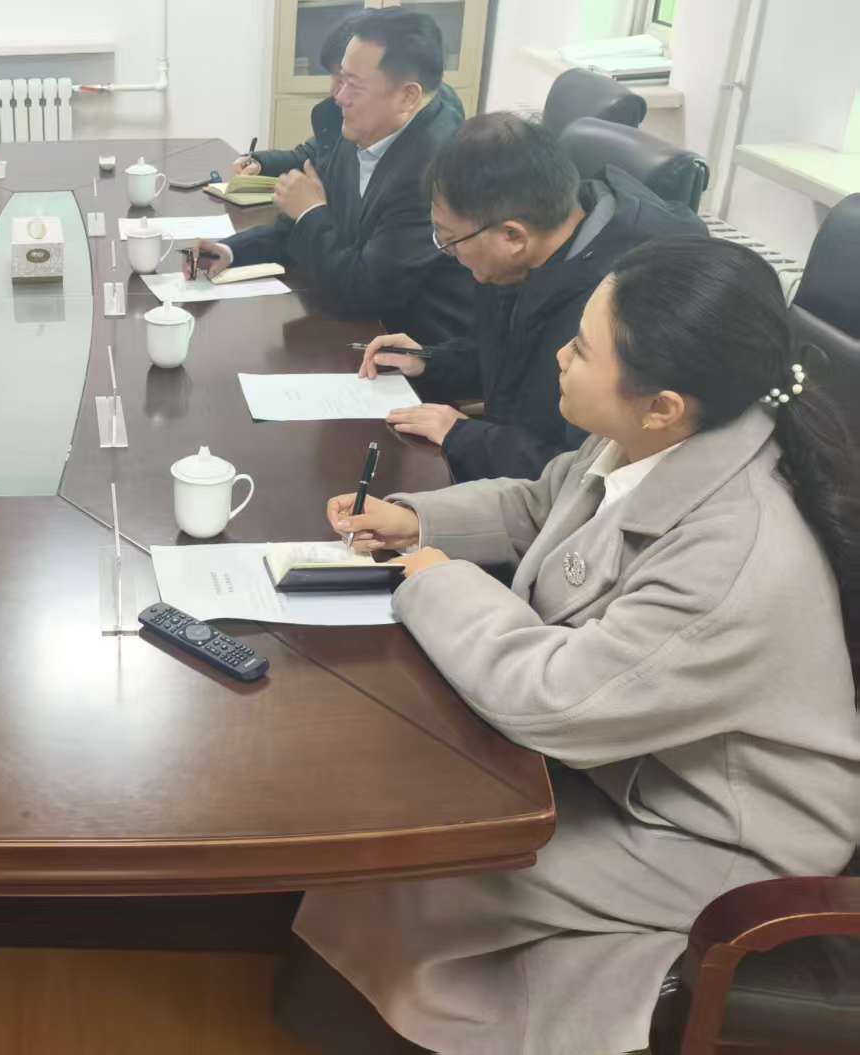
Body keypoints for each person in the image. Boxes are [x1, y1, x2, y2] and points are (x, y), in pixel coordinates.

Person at [288, 238, 860, 1055]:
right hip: (634, 762)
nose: (560, 353)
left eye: (583, 348)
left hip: (716, 834)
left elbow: (554, 700)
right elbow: (545, 501)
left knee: (415, 861)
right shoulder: (657, 434)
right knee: (396, 834)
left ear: (662, 404)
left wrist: (433, 577)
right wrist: (419, 519)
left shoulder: (734, 553)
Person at [355, 113, 706, 482]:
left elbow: (585, 473)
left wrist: (464, 437)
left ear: (513, 237)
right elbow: (511, 360)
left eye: (450, 240)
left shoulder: (619, 307)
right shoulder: (541, 244)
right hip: (508, 463)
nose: (449, 254)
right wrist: (431, 361)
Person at [196, 8, 473, 344]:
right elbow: (299, 227)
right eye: (341, 79)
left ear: (407, 96)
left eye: (353, 85)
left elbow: (363, 293)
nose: (338, 97)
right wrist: (231, 251)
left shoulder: (432, 171)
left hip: (412, 348)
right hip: (356, 329)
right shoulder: (365, 126)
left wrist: (311, 211)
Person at [234, 13, 466, 181]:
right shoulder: (346, 112)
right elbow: (315, 155)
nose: (336, 92)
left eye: (349, 81)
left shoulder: (431, 160)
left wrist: (310, 209)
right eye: (337, 77)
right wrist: (260, 163)